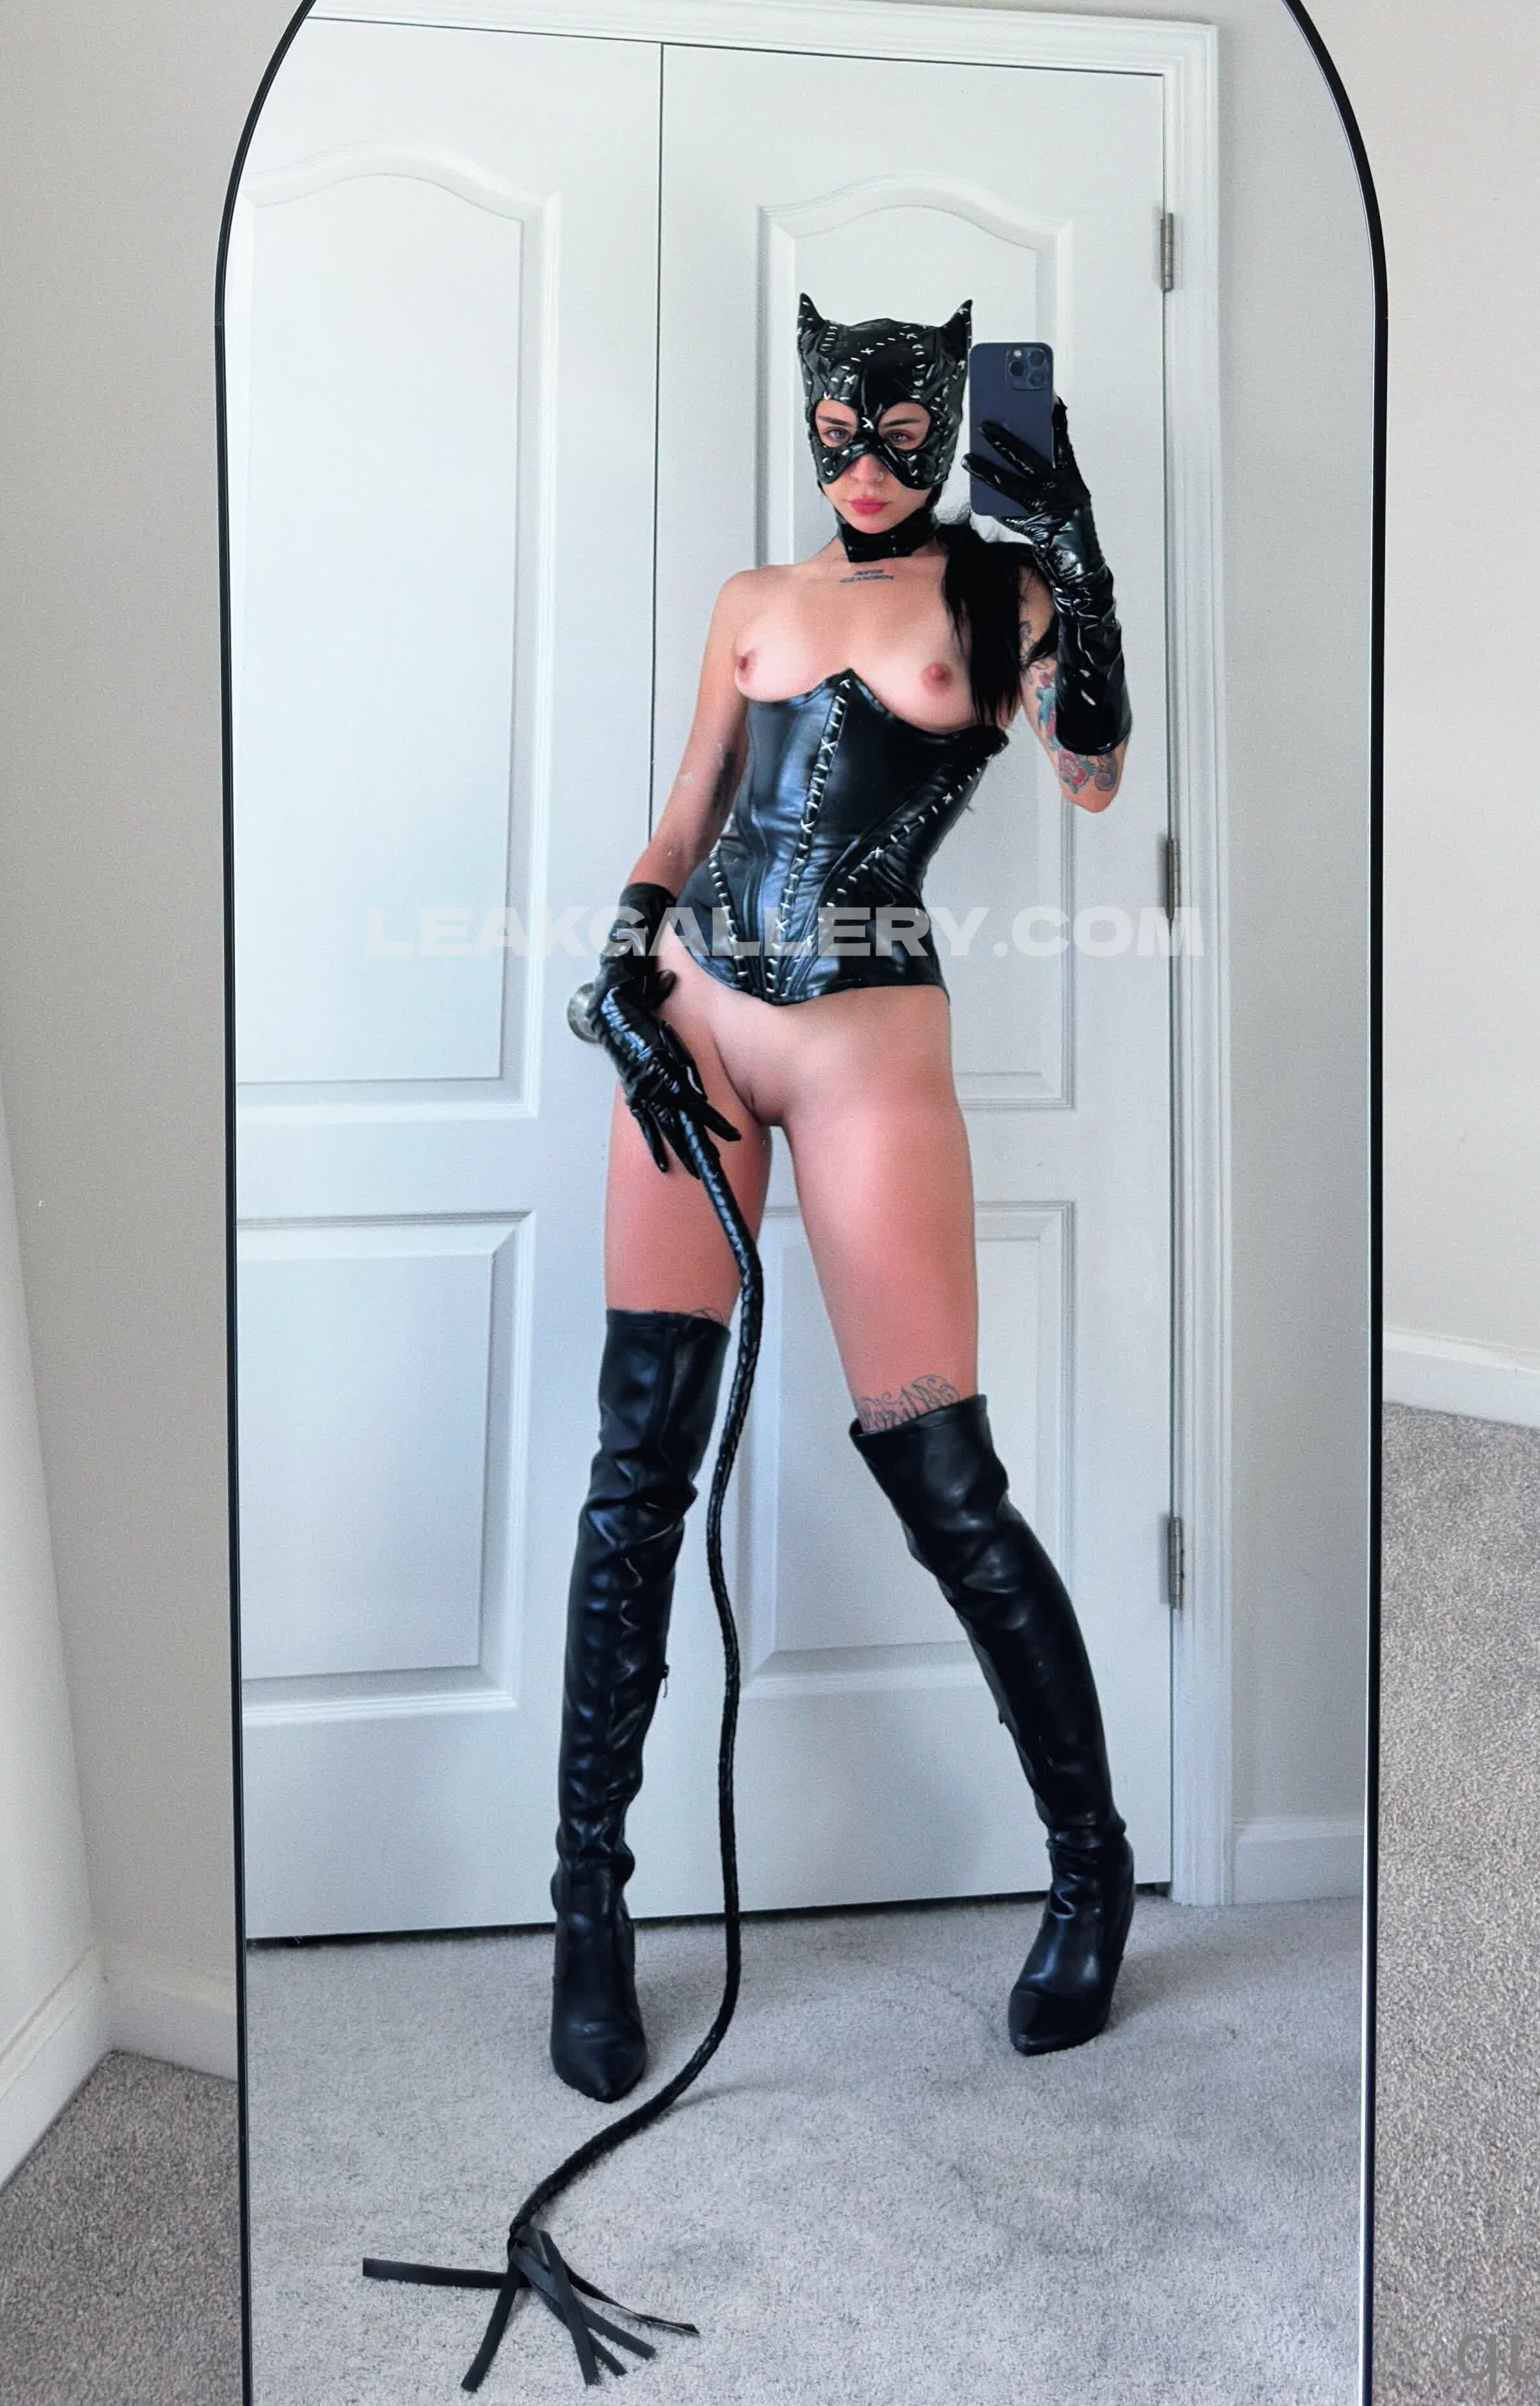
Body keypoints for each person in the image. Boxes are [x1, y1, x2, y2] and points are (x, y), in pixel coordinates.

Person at [552, 293, 1136, 2103]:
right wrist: (620, 958)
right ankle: (588, 1907)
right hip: (694, 1026)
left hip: (870, 1047)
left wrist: (1077, 548)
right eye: (840, 431)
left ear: (952, 421)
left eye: (903, 434)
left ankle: (1091, 1871)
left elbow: (1094, 773)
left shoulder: (997, 594)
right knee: (639, 1465)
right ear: (810, 416)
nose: (867, 465)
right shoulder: (752, 598)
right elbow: (687, 812)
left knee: (944, 1479)